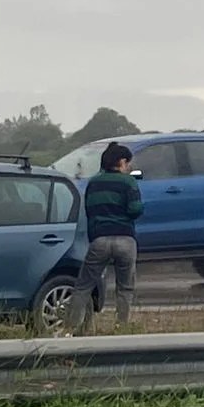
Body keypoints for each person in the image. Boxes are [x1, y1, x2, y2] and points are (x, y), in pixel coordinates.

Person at [62, 142, 144, 335]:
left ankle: (71, 328)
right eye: (128, 163)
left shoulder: (93, 183)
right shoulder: (128, 182)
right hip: (125, 239)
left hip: (99, 240)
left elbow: (89, 212)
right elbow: (135, 209)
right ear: (122, 162)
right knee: (124, 287)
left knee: (83, 286)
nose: (129, 167)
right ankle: (120, 326)